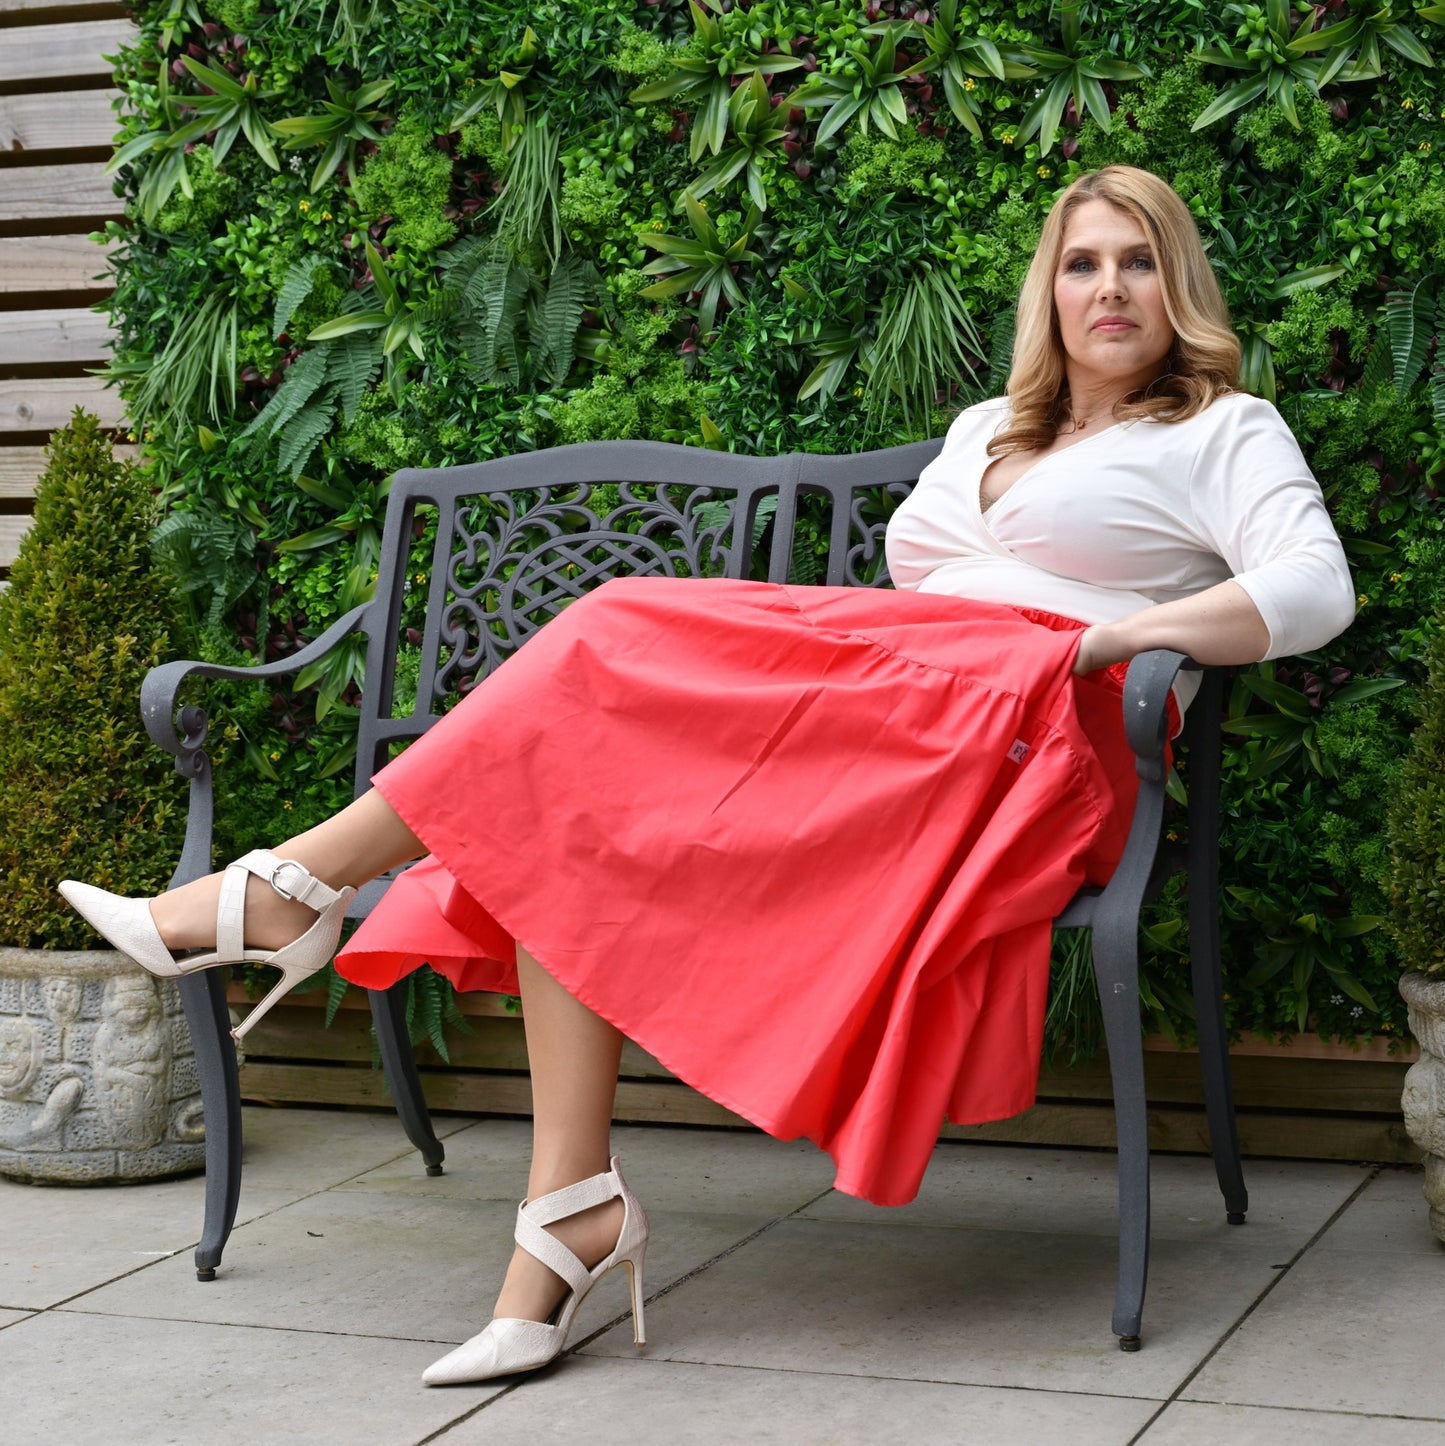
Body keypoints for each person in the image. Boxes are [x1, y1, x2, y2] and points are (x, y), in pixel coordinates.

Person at [59, 165, 1355, 1387]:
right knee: (576, 799)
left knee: (615, 624)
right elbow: (923, 578)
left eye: (1138, 260)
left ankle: (285, 889)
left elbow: (1308, 588)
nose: (1109, 285)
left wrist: (1121, 632)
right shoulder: (984, 430)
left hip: (1030, 741)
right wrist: (1033, 610)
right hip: (907, 696)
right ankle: (563, 1214)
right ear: (1050, 290)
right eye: (1081, 261)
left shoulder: (1221, 429)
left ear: (1174, 285)